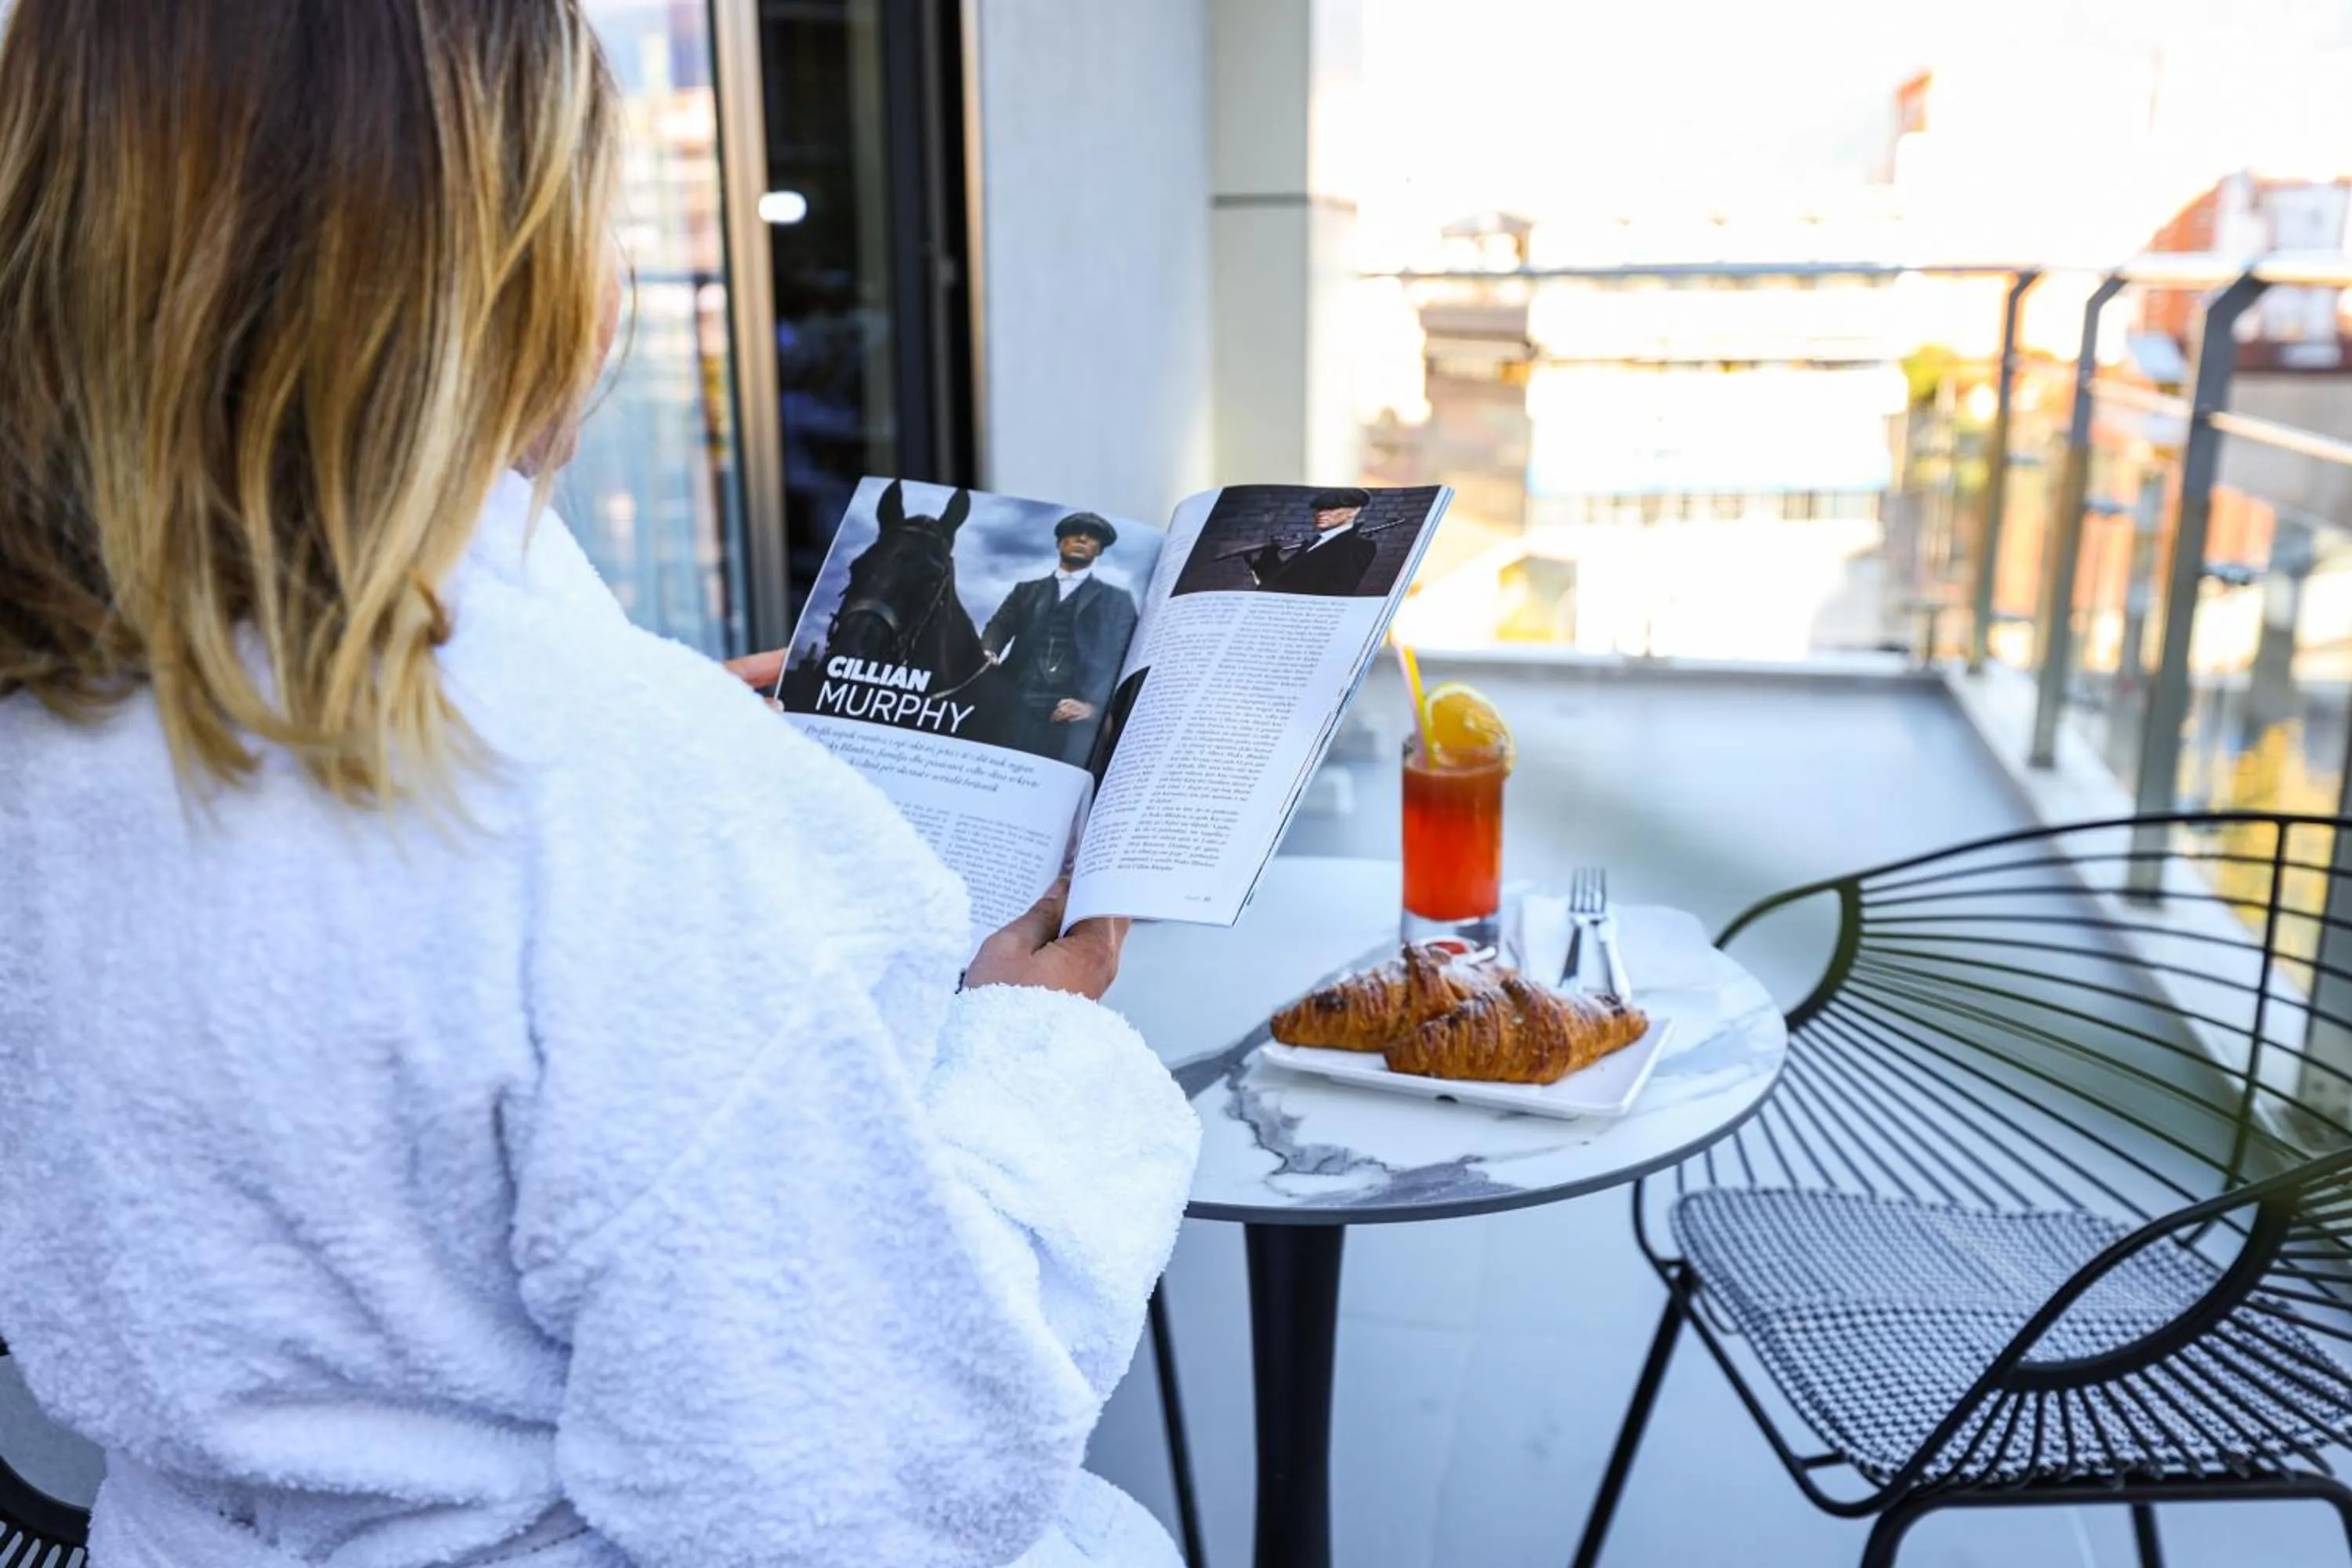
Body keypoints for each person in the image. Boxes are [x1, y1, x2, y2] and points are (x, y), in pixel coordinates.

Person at [0, 5, 1197, 1568]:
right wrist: (1041, 1036)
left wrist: (617, 739)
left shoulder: (55, 715)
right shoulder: (604, 798)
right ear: (512, 259)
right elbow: (858, 1483)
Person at [979, 514, 1139, 766]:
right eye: (1075, 532)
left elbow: (1124, 654)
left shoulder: (1118, 601)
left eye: (1092, 536)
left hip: (1074, 714)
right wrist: (988, 650)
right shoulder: (1026, 591)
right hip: (1016, 700)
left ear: (1099, 550)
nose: (1083, 538)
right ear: (1060, 543)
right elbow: (999, 626)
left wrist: (1092, 708)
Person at [1243, 486, 1382, 597]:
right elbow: (1285, 580)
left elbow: (1336, 593)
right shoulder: (1314, 543)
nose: (1321, 513)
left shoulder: (1358, 546)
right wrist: (1268, 554)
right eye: (1319, 508)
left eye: (1331, 508)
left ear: (1354, 511)